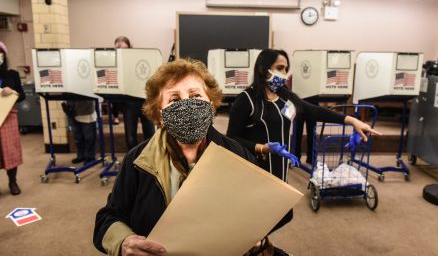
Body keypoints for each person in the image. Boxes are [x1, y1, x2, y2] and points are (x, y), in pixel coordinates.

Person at [93, 59, 256, 256]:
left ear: (211, 107)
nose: (187, 105)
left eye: (195, 95)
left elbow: (258, 210)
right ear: (161, 115)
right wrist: (124, 241)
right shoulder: (137, 160)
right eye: (174, 100)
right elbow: (108, 218)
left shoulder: (237, 154)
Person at [227, 49, 381, 235]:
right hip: (255, 172)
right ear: (262, 68)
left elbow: (313, 111)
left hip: (279, 172)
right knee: (256, 222)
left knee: (281, 216)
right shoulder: (246, 100)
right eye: (280, 68)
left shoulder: (285, 97)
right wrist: (263, 148)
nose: (284, 74)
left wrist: (351, 121)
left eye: (286, 70)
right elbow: (231, 140)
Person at [114, 36, 155, 150]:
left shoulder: (138, 58)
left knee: (150, 134)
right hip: (128, 102)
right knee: (130, 136)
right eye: (118, 48)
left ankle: (149, 159)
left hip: (145, 100)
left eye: (124, 48)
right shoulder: (117, 63)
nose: (121, 51)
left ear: (129, 47)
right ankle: (133, 160)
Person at [0, 41, 25, 195]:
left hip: (8, 118)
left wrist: (13, 92)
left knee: (10, 151)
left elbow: (22, 95)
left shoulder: (12, 74)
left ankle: (12, 182)